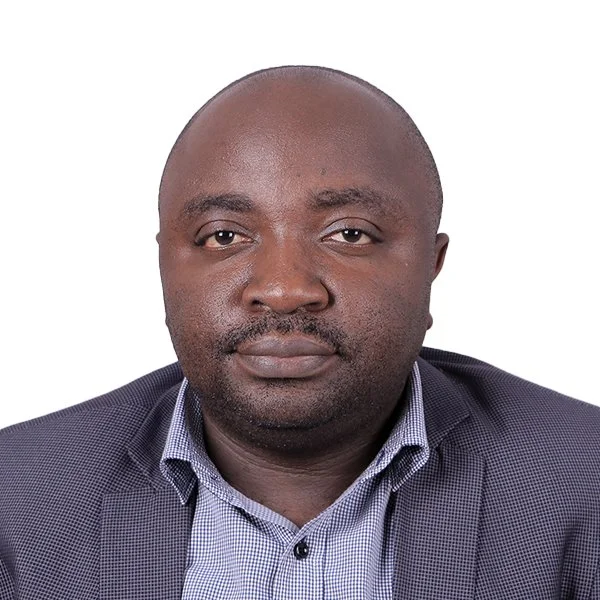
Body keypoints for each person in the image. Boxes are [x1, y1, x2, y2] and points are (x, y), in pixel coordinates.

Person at [1, 66, 598, 600]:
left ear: (431, 265)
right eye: (225, 236)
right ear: (164, 267)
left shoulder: (584, 482)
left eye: (349, 234)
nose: (285, 288)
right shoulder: (18, 501)